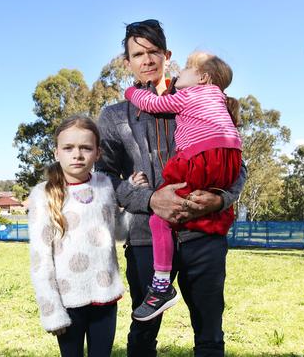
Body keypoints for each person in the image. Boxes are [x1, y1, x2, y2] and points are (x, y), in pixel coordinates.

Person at [95, 19, 247, 357]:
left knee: (209, 333)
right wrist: (150, 199)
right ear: (127, 62)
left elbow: (236, 164)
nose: (146, 60)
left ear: (167, 55)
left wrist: (220, 198)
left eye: (153, 52)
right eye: (138, 54)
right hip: (146, 238)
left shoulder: (202, 99)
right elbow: (103, 177)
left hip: (203, 233)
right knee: (143, 332)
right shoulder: (113, 116)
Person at [124, 51, 243, 321]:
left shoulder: (191, 95)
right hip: (228, 160)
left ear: (203, 78)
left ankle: (162, 286)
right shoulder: (223, 102)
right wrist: (221, 197)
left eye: (188, 68)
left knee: (160, 220)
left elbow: (152, 104)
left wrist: (131, 92)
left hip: (201, 157)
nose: (181, 72)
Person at [28, 115, 125, 357]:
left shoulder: (105, 186)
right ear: (56, 152)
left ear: (98, 152)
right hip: (67, 301)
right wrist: (52, 311)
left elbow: (120, 232)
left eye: (86, 148)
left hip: (105, 296)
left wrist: (134, 197)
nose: (77, 154)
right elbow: (41, 259)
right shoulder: (42, 195)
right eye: (68, 147)